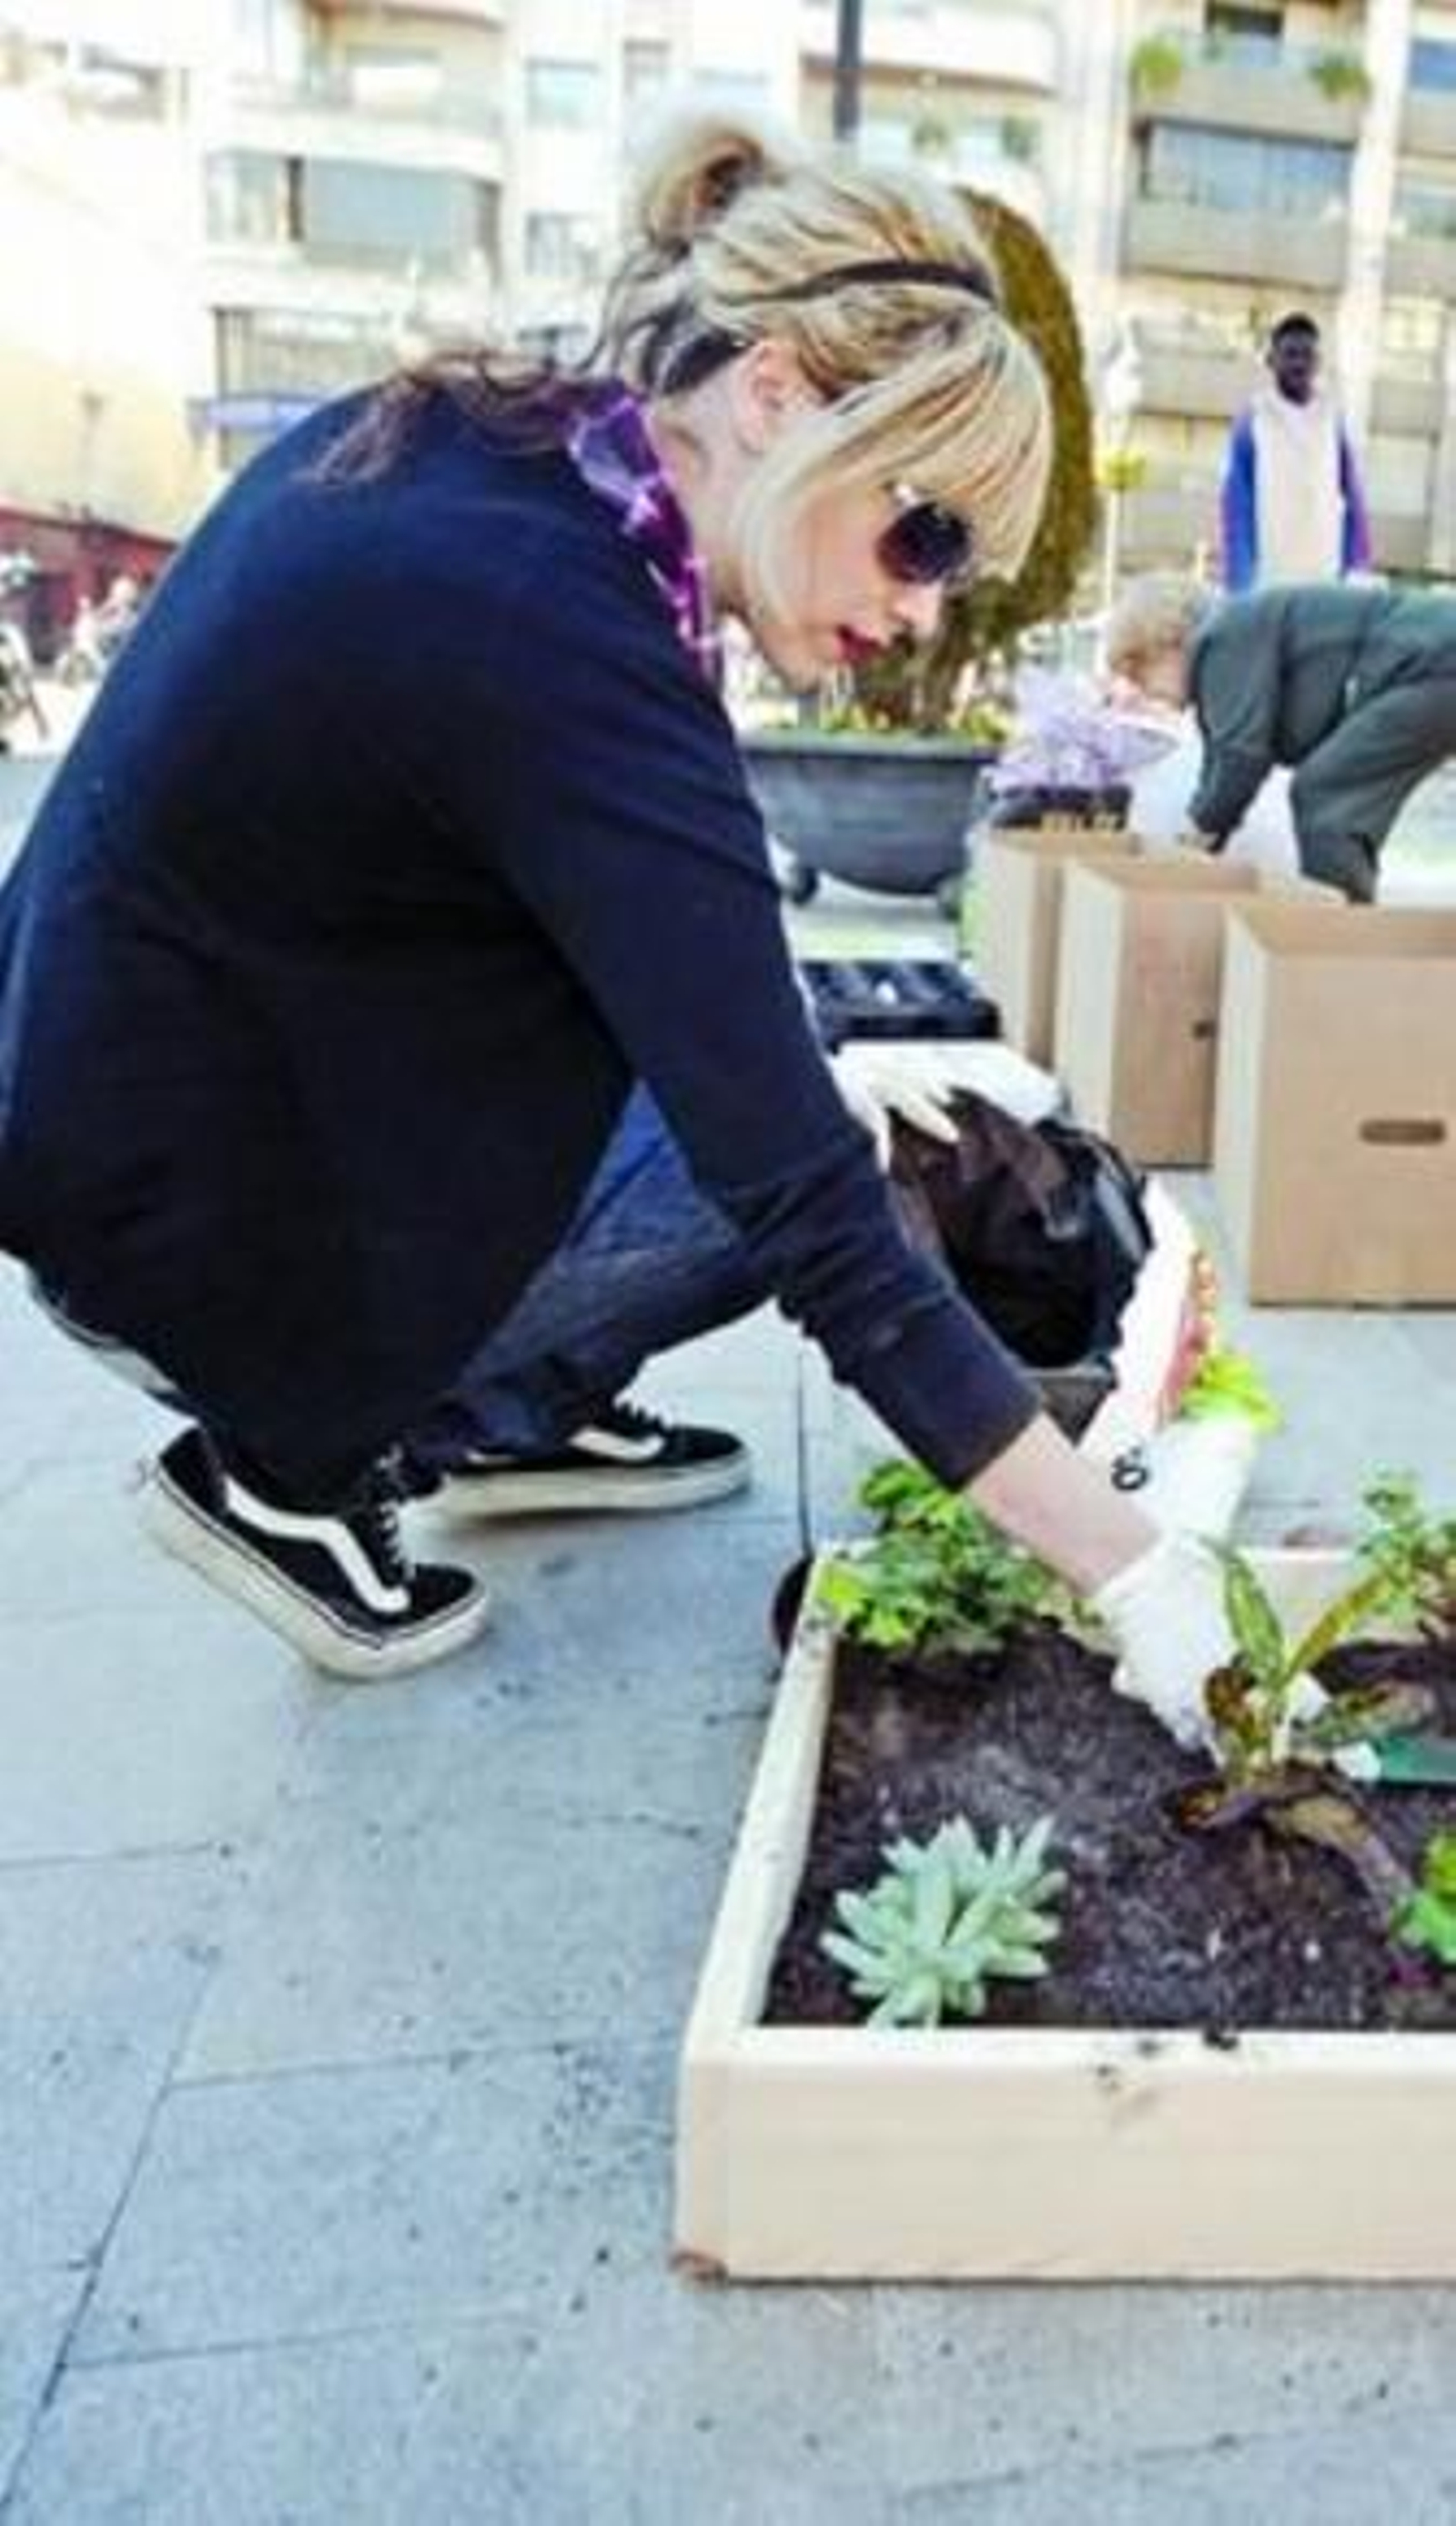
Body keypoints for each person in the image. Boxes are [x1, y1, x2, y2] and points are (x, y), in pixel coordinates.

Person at [0, 111, 1238, 1746]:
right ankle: (291, 1472)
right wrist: (1134, 1569)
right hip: (182, 1233)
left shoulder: (506, 460)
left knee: (779, 1081)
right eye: (925, 532)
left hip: (119, 1109)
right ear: (777, 392)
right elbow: (809, 1216)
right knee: (805, 1163)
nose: (926, 605)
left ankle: (515, 1410)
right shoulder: (562, 638)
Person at [1106, 573, 1456, 903]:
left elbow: (1241, 759)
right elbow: (1217, 776)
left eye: (1139, 672)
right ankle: (1345, 931)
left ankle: (1340, 942)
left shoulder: (1222, 638)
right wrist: (1194, 846)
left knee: (1325, 795)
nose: (1144, 693)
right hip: (1427, 665)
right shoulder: (1223, 667)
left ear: (1170, 641)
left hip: (1430, 662)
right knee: (1335, 801)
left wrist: (1194, 844)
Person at [1219, 311, 1371, 593]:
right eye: (1290, 354)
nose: (1299, 363)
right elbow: (1235, 505)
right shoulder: (1253, 419)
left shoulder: (1332, 418)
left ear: (1318, 362)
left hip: (1324, 579)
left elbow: (1354, 498)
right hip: (1269, 581)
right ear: (1271, 360)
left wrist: (1357, 565)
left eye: (1307, 354)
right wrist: (1240, 582)